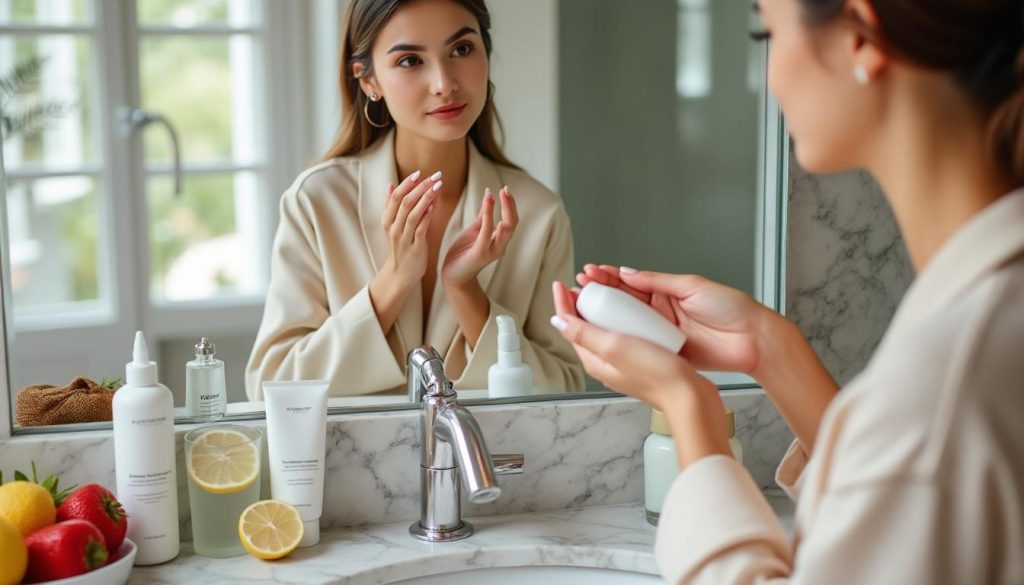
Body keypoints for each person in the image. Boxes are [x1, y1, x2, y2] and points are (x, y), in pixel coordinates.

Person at [551, 0, 1024, 582]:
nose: (769, 73)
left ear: (860, 39)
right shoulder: (988, 324)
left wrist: (688, 407)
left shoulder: (948, 384)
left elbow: (918, 456)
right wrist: (768, 347)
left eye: (765, 30)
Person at [246, 0, 583, 399]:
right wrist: (395, 278)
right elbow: (272, 386)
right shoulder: (317, 202)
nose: (444, 82)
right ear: (368, 80)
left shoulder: (537, 214)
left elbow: (564, 391)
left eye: (461, 49)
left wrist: (465, 291)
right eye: (409, 61)